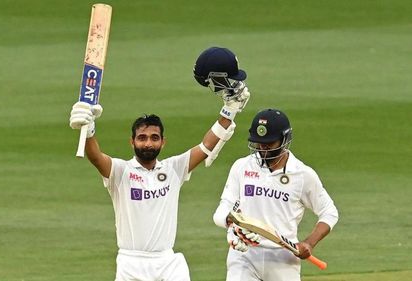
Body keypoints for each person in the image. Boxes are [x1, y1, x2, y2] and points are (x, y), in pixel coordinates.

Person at [69, 47, 257, 281]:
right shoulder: (120, 172)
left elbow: (207, 146)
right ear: (132, 141)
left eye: (154, 138)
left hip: (168, 262)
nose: (148, 143)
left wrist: (229, 110)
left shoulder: (173, 169)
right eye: (142, 138)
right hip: (131, 263)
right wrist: (89, 130)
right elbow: (96, 156)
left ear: (163, 142)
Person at [212, 108, 339, 281]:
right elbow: (224, 206)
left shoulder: (302, 174)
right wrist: (232, 224)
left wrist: (309, 242)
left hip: (284, 258)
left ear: (284, 139)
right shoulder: (242, 167)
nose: (262, 150)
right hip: (244, 255)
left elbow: (329, 212)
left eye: (269, 144)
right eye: (259, 143)